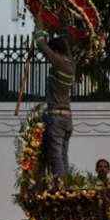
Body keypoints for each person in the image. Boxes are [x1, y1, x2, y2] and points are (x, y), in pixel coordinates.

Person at [33, 22, 76, 177]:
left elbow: (41, 45)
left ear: (57, 51)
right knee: (63, 155)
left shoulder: (58, 62)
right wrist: (62, 24)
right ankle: (66, 186)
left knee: (56, 155)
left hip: (56, 117)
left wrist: (39, 26)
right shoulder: (71, 63)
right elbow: (65, 40)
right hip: (67, 118)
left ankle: (62, 189)